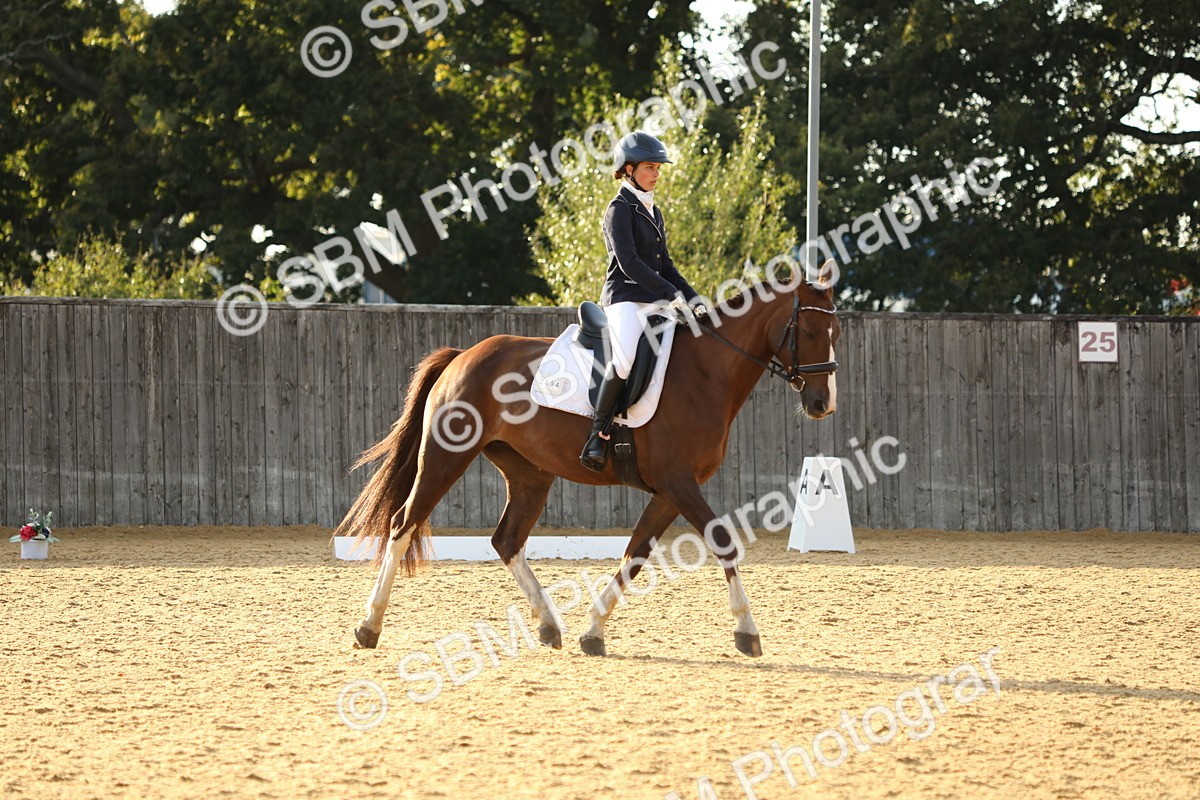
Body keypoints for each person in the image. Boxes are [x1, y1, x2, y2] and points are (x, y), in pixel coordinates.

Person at [579, 130, 708, 472]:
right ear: (629, 169)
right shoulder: (618, 209)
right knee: (623, 361)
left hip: (653, 300)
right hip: (624, 299)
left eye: (658, 168)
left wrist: (693, 298)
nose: (656, 174)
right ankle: (597, 434)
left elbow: (666, 265)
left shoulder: (654, 211)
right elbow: (629, 263)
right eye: (650, 167)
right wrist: (669, 294)